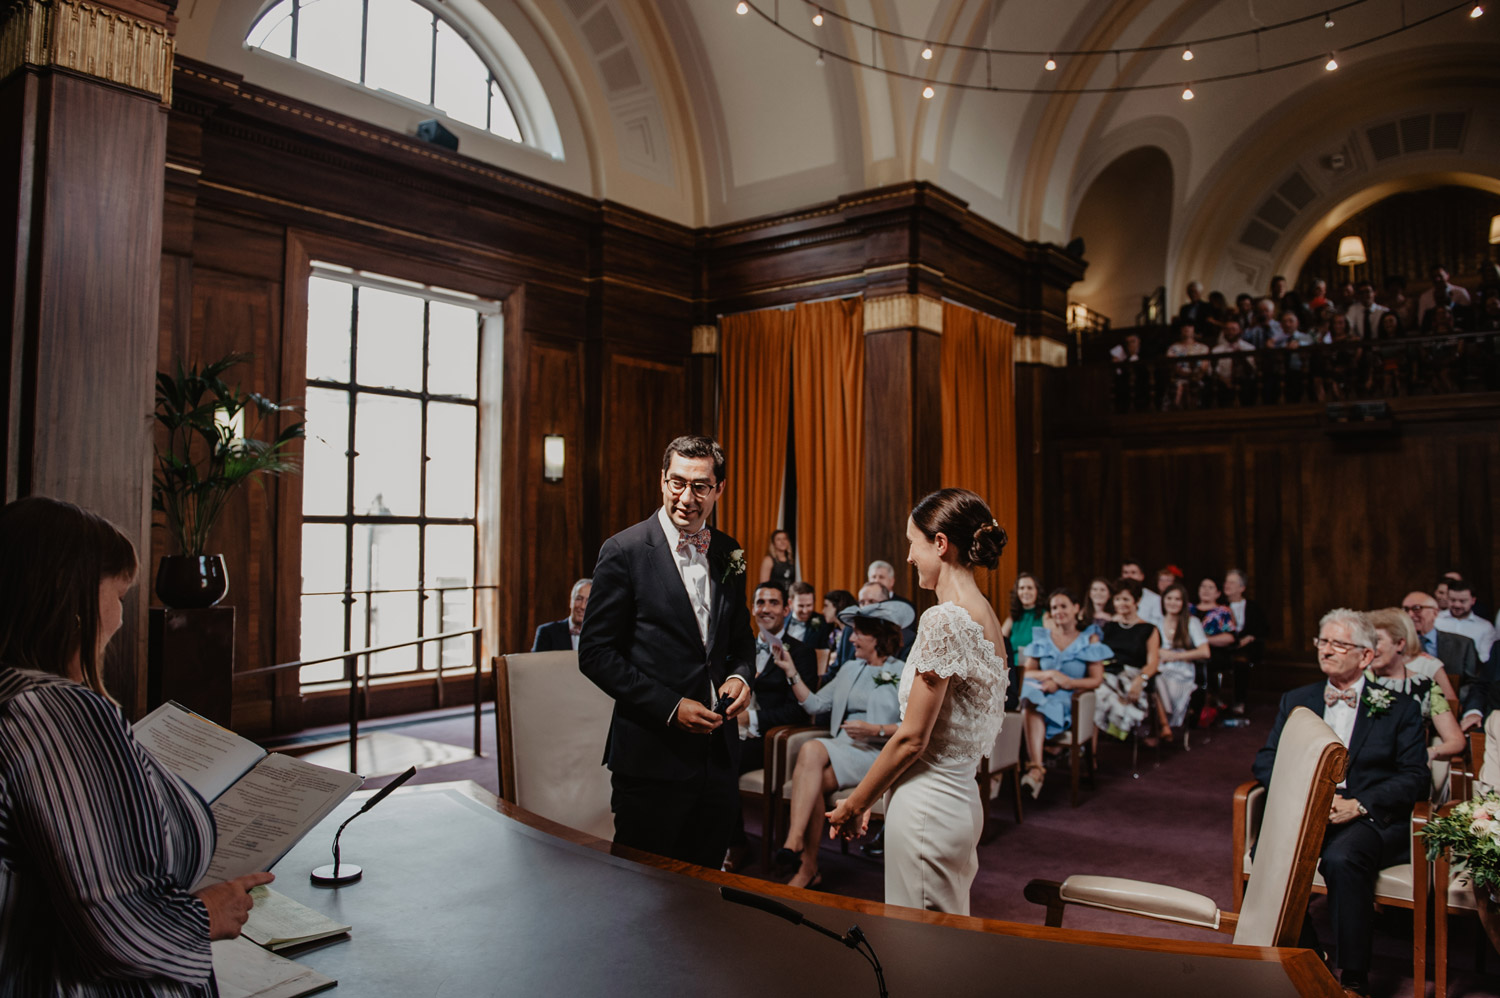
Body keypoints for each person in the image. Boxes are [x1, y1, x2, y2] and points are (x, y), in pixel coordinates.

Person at [0, 496, 273, 997]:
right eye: (118, 595)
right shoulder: (57, 712)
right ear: (73, 598)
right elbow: (121, 927)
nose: (120, 619)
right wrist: (205, 914)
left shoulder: (11, 693)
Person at [826, 489, 1009, 915]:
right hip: (959, 801)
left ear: (940, 543)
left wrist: (856, 803)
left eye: (914, 542)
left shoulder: (944, 619)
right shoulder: (985, 614)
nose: (909, 556)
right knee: (942, 942)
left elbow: (913, 738)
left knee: (922, 952)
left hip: (928, 809)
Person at [578, 435, 756, 868]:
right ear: (662, 481)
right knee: (642, 899)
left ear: (719, 489)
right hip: (651, 759)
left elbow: (740, 638)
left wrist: (742, 675)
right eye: (677, 483)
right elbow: (596, 653)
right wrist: (672, 706)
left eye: (700, 486)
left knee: (705, 896)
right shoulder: (622, 551)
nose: (686, 498)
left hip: (717, 761)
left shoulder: (731, 551)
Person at [1252, 609, 1428, 996]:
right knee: (1267, 852)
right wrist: (1309, 793)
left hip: (1367, 816)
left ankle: (1353, 979)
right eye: (1322, 641)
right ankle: (1310, 958)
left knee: (1342, 858)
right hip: (1307, 806)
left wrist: (1359, 804)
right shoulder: (1297, 700)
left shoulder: (1400, 708)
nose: (1326, 651)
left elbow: (1416, 777)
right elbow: (1266, 760)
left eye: (1338, 644)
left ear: (1366, 656)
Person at [772, 600, 910, 889]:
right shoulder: (849, 668)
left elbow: (914, 726)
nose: (851, 638)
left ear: (877, 638)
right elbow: (815, 704)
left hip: (879, 753)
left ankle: (795, 842)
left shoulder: (903, 671)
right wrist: (791, 671)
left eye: (858, 633)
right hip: (843, 747)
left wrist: (876, 729)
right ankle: (808, 866)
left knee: (811, 750)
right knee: (815, 782)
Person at [726, 581, 818, 871]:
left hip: (770, 739)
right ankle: (725, 839)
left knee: (723, 762)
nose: (766, 609)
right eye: (760, 602)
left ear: (787, 609)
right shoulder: (740, 649)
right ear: (753, 609)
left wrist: (751, 719)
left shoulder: (802, 652)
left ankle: (737, 845)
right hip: (734, 731)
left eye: (773, 603)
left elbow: (800, 710)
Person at [1017, 588, 1110, 799]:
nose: (1058, 611)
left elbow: (1096, 679)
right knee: (1028, 700)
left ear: (1076, 608)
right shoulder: (1043, 637)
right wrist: (1051, 674)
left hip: (1071, 699)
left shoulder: (1090, 638)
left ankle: (1034, 770)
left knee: (1032, 703)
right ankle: (1035, 769)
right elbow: (1029, 672)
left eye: (1063, 606)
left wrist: (1065, 683)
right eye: (1054, 607)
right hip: (1042, 693)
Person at [1366, 608, 1464, 764]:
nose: (1370, 648)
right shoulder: (1358, 679)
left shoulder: (1424, 685)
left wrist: (1428, 753)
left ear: (1399, 644)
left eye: (1377, 641)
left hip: (1408, 765)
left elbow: (1456, 740)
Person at [1402, 590, 1486, 731]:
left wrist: (1457, 705)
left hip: (1452, 714)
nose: (1410, 614)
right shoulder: (1397, 647)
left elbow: (1474, 684)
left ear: (1435, 612)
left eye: (1417, 608)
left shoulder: (1462, 644)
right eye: (1405, 609)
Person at [1097, 578, 1162, 739]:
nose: (1121, 603)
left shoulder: (1149, 629)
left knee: (1101, 693)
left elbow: (1153, 663)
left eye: (1126, 599)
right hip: (1108, 672)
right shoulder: (1109, 627)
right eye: (1117, 599)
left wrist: (1140, 680)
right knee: (1091, 692)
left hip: (1134, 674)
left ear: (1137, 600)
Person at [1155, 583, 1208, 737]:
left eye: (1177, 599)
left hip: (1181, 671)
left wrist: (1175, 656)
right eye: (1169, 598)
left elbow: (1205, 652)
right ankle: (1163, 722)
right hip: (1159, 667)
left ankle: (1162, 722)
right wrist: (1159, 652)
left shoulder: (1192, 622)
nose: (1173, 602)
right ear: (1163, 601)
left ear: (1183, 602)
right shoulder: (1155, 622)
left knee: (1154, 682)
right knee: (1152, 679)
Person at [1222, 569, 1269, 714]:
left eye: (1232, 582)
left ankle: (1239, 702)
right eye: (1226, 582)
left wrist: (1249, 638)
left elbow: (1263, 629)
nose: (1227, 585)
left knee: (1241, 661)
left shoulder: (1252, 607)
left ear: (1242, 588)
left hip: (1246, 648)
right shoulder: (1220, 606)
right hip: (1223, 647)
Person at [1436, 578, 1494, 665]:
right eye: (1453, 600)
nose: (1457, 605)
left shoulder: (1485, 627)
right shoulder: (1436, 620)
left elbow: (1485, 657)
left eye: (1462, 601)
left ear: (1473, 600)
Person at [531, 577, 591, 652]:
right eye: (579, 599)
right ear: (571, 601)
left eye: (588, 601)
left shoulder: (600, 636)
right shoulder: (546, 633)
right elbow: (536, 663)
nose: (582, 606)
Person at [786, 580, 830, 676]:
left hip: (807, 674)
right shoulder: (780, 620)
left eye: (809, 605)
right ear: (790, 603)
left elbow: (824, 653)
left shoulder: (823, 622)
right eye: (801, 606)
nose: (805, 610)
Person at [1000, 572, 1045, 662]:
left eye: (1030, 588)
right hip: (1013, 668)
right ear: (1017, 592)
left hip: (1035, 668)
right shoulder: (1012, 618)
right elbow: (999, 642)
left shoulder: (1046, 616)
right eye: (1021, 588)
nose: (1025, 592)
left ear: (1037, 591)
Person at [1120, 560, 1162, 624]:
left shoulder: (1155, 599)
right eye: (1125, 572)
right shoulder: (1114, 596)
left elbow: (1157, 624)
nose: (1129, 576)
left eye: (1133, 572)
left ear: (1142, 576)